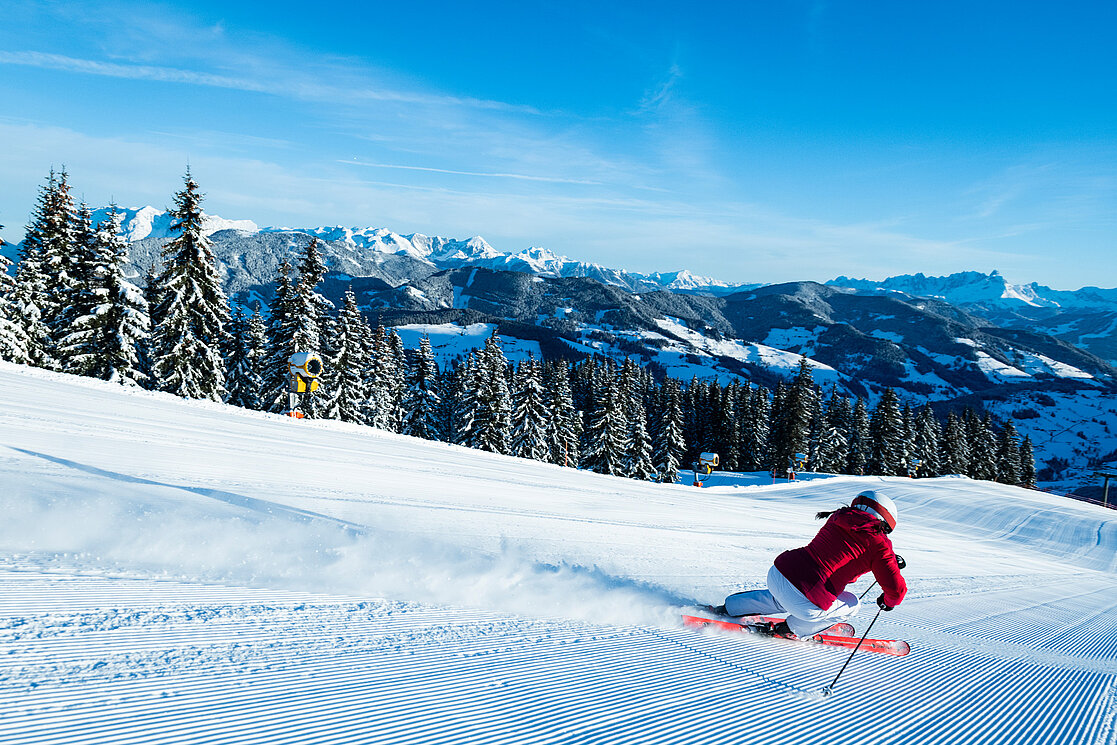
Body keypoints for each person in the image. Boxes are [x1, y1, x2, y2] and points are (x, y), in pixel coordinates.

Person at [709, 490, 907, 639]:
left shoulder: (839, 517)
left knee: (783, 596)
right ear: (884, 522)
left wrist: (888, 557)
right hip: (806, 600)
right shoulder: (879, 545)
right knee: (852, 604)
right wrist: (887, 602)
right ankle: (790, 629)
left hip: (778, 573)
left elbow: (847, 548)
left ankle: (730, 607)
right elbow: (895, 591)